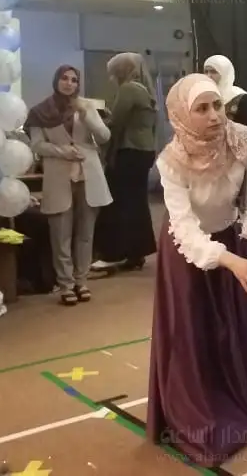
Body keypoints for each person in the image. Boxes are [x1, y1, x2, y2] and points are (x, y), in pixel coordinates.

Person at [146, 73, 247, 467]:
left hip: (233, 240)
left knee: (237, 327)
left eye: (217, 105)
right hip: (188, 252)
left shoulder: (244, 142)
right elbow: (183, 228)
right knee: (192, 332)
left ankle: (240, 397)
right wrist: (229, 260)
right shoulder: (171, 161)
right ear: (183, 115)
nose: (215, 115)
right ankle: (199, 414)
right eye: (202, 108)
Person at [27, 65, 112, 306]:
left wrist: (86, 114)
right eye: (64, 78)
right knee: (60, 235)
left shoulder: (86, 106)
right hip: (59, 175)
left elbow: (104, 136)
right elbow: (37, 145)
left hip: (88, 175)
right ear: (56, 80)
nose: (69, 83)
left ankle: (81, 281)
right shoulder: (40, 111)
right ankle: (65, 284)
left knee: (85, 234)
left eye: (74, 80)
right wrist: (62, 151)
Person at [91, 53, 158, 273]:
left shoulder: (128, 89)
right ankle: (135, 253)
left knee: (117, 203)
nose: (111, 78)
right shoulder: (145, 90)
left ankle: (113, 253)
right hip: (143, 151)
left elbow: (115, 122)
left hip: (128, 151)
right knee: (136, 203)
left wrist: (95, 120)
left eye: (113, 73)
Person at [204, 54, 247, 129]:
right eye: (206, 72)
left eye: (213, 72)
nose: (208, 76)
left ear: (225, 73)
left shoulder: (241, 98)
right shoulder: (203, 96)